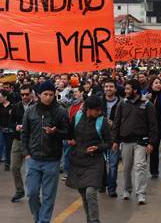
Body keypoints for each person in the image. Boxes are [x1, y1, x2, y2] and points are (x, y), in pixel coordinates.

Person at [21, 80, 70, 223]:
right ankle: (38, 218)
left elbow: (68, 133)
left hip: (52, 159)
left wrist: (56, 132)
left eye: (50, 95)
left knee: (48, 195)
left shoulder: (60, 112)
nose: (48, 98)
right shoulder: (30, 111)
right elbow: (24, 133)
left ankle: (43, 221)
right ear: (39, 95)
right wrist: (26, 153)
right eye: (45, 94)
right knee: (31, 193)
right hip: (33, 159)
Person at [66, 95, 113, 223]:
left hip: (95, 162)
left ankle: (95, 221)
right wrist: (70, 141)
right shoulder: (76, 117)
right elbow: (70, 134)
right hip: (78, 161)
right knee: (84, 196)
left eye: (100, 109)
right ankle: (90, 220)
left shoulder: (102, 121)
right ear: (88, 109)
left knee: (91, 193)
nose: (99, 112)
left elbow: (109, 142)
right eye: (97, 110)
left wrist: (97, 147)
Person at [112, 80, 158, 204]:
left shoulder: (148, 104)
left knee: (140, 167)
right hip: (125, 141)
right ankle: (127, 191)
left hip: (141, 142)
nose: (125, 91)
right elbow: (116, 123)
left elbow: (153, 125)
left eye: (127, 89)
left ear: (135, 90)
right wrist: (115, 141)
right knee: (126, 169)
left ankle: (141, 194)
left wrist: (151, 143)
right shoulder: (122, 104)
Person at [9, 84, 35, 202]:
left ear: (31, 94)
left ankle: (32, 191)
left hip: (32, 140)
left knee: (32, 169)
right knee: (14, 166)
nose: (24, 96)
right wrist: (16, 127)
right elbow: (9, 121)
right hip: (18, 139)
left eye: (26, 94)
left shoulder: (36, 106)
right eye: (22, 94)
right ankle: (19, 191)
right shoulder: (16, 106)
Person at [99, 79, 122, 197]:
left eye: (111, 87)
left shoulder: (121, 103)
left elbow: (124, 119)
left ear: (115, 89)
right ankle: (102, 183)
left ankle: (112, 187)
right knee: (101, 162)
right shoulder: (99, 101)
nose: (108, 89)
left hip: (115, 137)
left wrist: (115, 124)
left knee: (113, 163)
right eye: (106, 86)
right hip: (100, 137)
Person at [62, 85, 84, 181]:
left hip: (80, 134)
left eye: (76, 91)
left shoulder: (85, 104)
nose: (74, 93)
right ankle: (69, 173)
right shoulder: (70, 105)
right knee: (68, 154)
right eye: (73, 91)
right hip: (69, 132)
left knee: (79, 155)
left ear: (82, 92)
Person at [0, 90, 14, 171]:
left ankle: (7, 163)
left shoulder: (12, 106)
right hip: (0, 128)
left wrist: (12, 114)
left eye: (1, 97)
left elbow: (16, 116)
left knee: (8, 147)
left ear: (6, 97)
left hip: (9, 128)